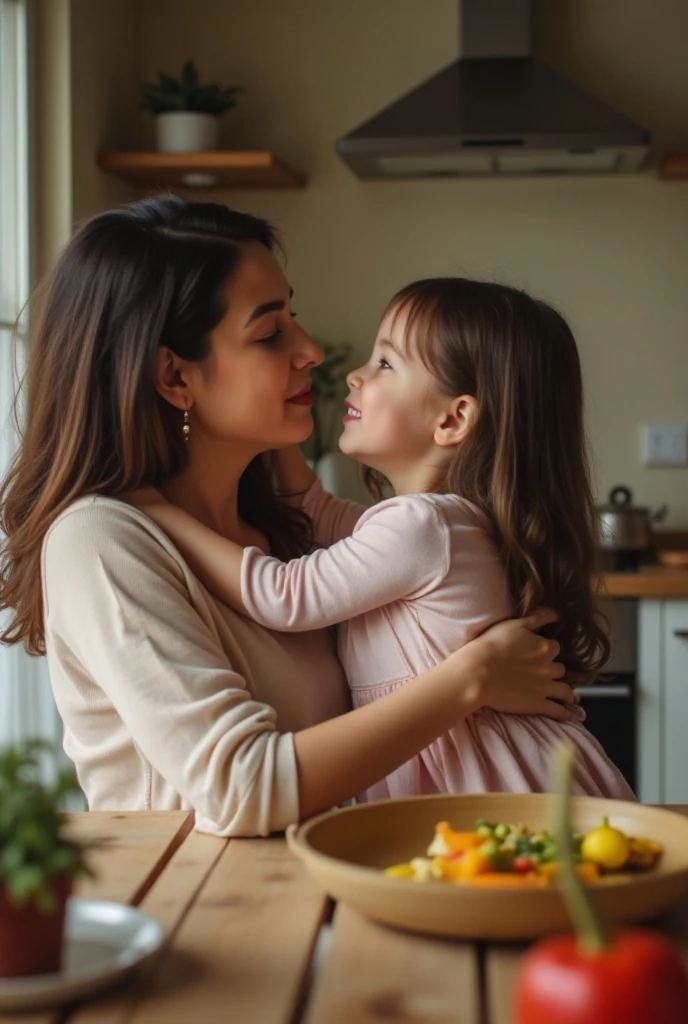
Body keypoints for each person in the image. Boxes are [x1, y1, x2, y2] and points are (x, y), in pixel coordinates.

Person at [0, 196, 579, 837]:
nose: (314, 352)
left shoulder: (283, 530)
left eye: (293, 318)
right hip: (202, 916)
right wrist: (469, 680)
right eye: (271, 333)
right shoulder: (100, 539)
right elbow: (241, 789)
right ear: (173, 375)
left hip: (335, 897)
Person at [128, 274, 634, 803]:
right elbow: (313, 509)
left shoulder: (424, 529)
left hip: (494, 786)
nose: (354, 375)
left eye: (386, 364)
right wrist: (277, 424)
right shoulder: (432, 527)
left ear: (453, 418)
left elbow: (283, 595)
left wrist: (157, 511)